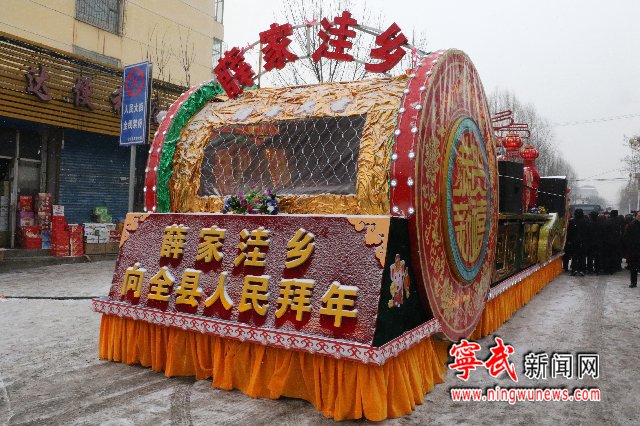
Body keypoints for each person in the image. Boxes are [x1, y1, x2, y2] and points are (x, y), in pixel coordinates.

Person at [566, 208, 589, 276]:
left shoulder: (572, 221)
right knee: (582, 256)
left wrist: (569, 240)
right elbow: (588, 232)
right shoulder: (585, 221)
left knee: (574, 256)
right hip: (583, 241)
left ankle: (574, 269)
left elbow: (569, 232)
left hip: (574, 241)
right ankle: (582, 270)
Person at [622, 211, 640, 288]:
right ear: (635, 216)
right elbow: (626, 237)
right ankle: (633, 282)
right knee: (633, 268)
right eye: (639, 215)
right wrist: (631, 245)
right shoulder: (631, 225)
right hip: (634, 250)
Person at [587, 210, 602, 274]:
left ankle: (590, 269)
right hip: (598, 242)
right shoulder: (600, 224)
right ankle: (597, 269)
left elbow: (587, 234)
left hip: (590, 243)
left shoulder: (588, 224)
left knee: (590, 257)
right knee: (597, 257)